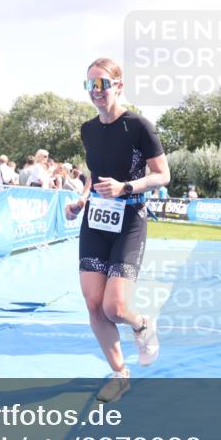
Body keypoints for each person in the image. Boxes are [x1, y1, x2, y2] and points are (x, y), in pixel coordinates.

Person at [64, 57, 170, 403]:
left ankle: (141, 325)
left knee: (116, 307)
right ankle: (119, 374)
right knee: (93, 303)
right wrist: (82, 199)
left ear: (118, 86)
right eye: (90, 84)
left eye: (102, 83)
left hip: (129, 219)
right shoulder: (88, 130)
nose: (96, 91)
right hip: (95, 219)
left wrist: (126, 187)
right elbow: (95, 175)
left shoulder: (140, 126)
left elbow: (163, 175)